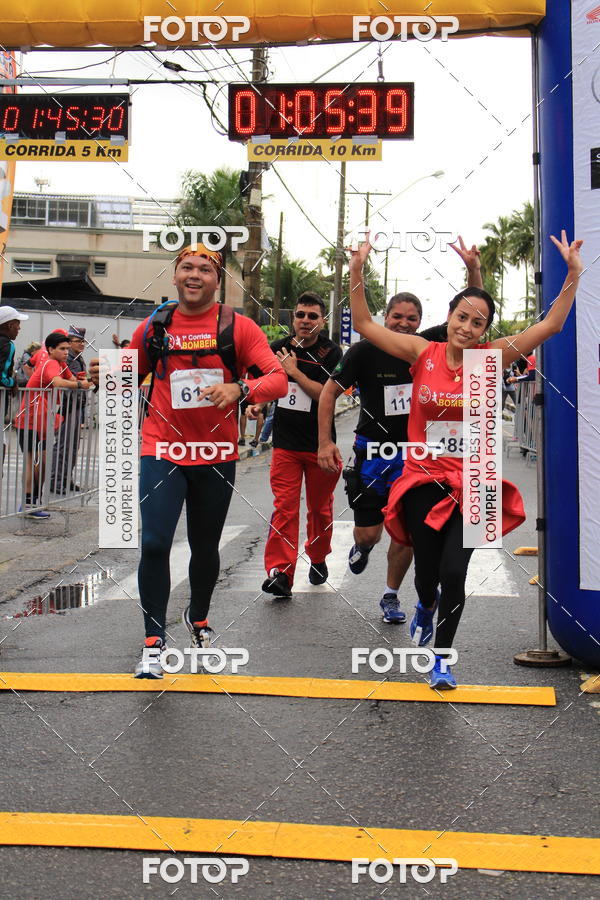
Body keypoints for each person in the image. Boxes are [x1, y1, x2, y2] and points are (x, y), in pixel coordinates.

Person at [348, 230, 582, 689]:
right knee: (428, 575)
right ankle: (423, 605)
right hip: (422, 477)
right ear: (449, 317)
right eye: (461, 317)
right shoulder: (422, 352)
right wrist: (357, 271)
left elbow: (550, 326)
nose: (467, 328)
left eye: (478, 323)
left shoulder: (490, 359)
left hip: (477, 481)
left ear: (484, 330)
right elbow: (364, 325)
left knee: (456, 573)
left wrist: (573, 274)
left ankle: (441, 659)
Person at [128, 243, 287, 678]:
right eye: (186, 267)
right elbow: (129, 371)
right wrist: (107, 374)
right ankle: (153, 642)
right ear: (175, 276)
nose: (194, 274)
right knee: (156, 543)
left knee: (204, 545)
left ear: (218, 281)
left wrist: (241, 389)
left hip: (215, 452)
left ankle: (198, 619)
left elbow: (277, 378)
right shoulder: (155, 325)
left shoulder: (239, 327)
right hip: (162, 447)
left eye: (204, 268)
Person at [318, 239, 482, 624]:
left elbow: (475, 310)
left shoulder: (429, 346)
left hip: (418, 456)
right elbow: (328, 394)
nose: (404, 324)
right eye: (397, 318)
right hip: (374, 452)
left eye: (412, 319)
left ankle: (391, 595)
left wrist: (473, 269)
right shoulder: (364, 351)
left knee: (408, 533)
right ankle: (361, 549)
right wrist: (324, 441)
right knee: (369, 534)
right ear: (386, 318)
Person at [254, 291, 342, 600]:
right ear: (293, 318)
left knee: (319, 509)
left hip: (320, 446)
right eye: (300, 315)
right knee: (285, 508)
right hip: (285, 446)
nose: (305, 321)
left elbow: (324, 395)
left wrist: (294, 371)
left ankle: (317, 557)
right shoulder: (277, 349)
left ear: (323, 320)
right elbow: (266, 384)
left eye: (312, 316)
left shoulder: (332, 353)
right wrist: (258, 403)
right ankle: (281, 572)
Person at [15, 331, 86, 519]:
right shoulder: (50, 362)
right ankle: (29, 504)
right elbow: (59, 381)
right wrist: (81, 385)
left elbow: (71, 379)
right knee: (34, 462)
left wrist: (82, 381)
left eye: (67, 349)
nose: (65, 352)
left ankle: (33, 503)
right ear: (51, 349)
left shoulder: (61, 363)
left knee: (43, 462)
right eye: (62, 349)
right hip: (30, 419)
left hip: (42, 419)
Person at [50, 325, 91, 494]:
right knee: (63, 446)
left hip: (77, 406)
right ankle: (56, 480)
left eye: (83, 341)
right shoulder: (67, 360)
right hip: (67, 407)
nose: (82, 344)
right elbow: (69, 382)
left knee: (73, 446)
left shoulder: (78, 358)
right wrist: (81, 383)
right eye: (78, 341)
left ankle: (66, 479)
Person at [0, 305, 28, 390]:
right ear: (10, 325)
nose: (19, 328)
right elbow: (1, 378)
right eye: (18, 324)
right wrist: (13, 382)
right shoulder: (7, 345)